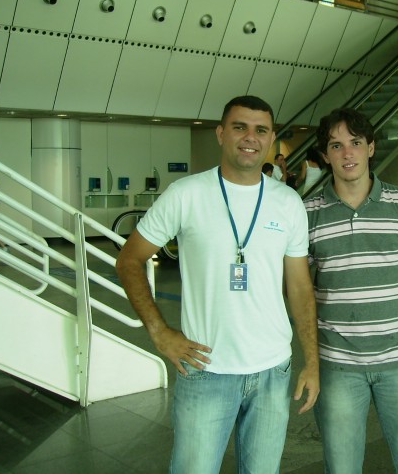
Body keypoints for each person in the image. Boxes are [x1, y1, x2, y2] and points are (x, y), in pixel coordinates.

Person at [116, 95, 319, 474]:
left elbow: (300, 287)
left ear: (271, 138)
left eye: (261, 130)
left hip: (273, 371)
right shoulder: (186, 194)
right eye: (240, 127)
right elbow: (129, 259)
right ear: (221, 133)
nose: (250, 137)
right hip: (206, 369)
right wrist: (159, 332)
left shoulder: (287, 202)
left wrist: (312, 360)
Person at [305, 108, 398, 473]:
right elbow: (300, 289)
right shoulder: (307, 214)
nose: (347, 153)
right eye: (336, 145)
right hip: (338, 366)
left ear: (371, 148)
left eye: (356, 143)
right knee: (342, 466)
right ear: (325, 154)